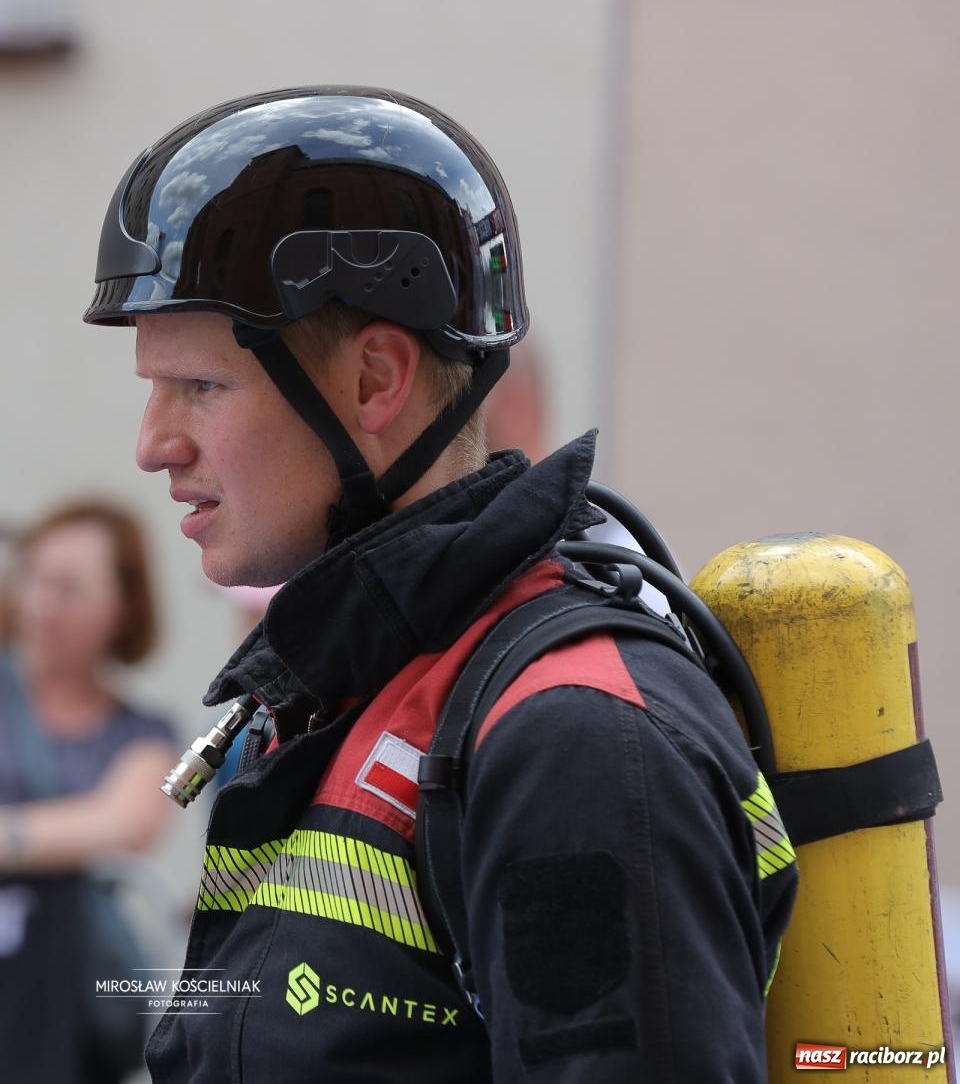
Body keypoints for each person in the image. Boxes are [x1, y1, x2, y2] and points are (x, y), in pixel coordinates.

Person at [84, 86, 797, 1082]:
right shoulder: (349, 688)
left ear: (375, 382)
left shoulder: (572, 740)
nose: (153, 445)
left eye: (200, 387)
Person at [0, 500, 177, 1084]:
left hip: (60, 1007)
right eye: (36, 578)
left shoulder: (147, 734)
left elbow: (129, 822)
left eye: (69, 588)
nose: (42, 604)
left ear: (121, 608)